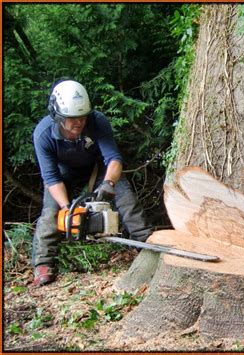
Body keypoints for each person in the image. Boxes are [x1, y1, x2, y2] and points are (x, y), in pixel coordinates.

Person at [32, 79, 153, 286]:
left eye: (82, 117)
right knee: (51, 212)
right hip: (63, 173)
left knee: (127, 200)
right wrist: (67, 209)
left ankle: (148, 246)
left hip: (98, 168)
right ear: (58, 116)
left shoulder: (97, 122)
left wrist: (109, 184)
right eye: (72, 119)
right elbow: (51, 178)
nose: (79, 123)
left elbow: (113, 159)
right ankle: (43, 263)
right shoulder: (43, 134)